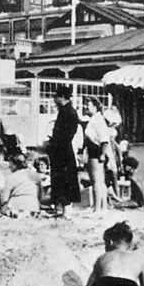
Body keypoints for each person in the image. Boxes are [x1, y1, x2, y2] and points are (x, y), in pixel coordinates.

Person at [47, 85, 81, 216]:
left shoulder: (69, 112)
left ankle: (65, 208)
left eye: (56, 97)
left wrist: (53, 143)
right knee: (61, 180)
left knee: (64, 180)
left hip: (63, 152)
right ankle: (61, 207)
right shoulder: (65, 111)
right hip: (61, 151)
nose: (54, 100)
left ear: (62, 97)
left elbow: (66, 135)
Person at [82, 98, 109, 212]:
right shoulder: (95, 119)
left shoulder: (98, 120)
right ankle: (103, 207)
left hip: (96, 151)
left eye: (88, 105)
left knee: (96, 181)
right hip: (95, 150)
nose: (85, 107)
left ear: (95, 107)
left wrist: (102, 154)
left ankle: (97, 208)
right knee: (100, 181)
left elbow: (104, 139)